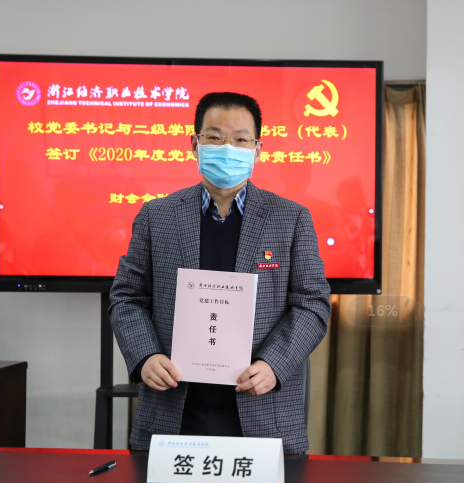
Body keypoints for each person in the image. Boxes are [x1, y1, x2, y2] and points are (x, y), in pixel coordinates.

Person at [110, 92, 331, 453]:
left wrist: (273, 364)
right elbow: (127, 297)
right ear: (194, 144)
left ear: (257, 150)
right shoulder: (156, 216)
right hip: (173, 406)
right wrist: (145, 355)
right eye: (214, 137)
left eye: (241, 139)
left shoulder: (291, 218)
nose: (227, 148)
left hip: (262, 409)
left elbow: (312, 304)